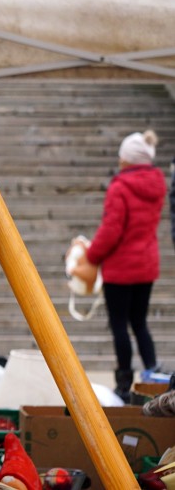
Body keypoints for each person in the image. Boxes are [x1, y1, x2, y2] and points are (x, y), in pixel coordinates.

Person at [80, 129, 165, 402]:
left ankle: (124, 380)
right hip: (146, 265)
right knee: (139, 322)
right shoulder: (156, 185)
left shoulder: (120, 187)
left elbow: (111, 230)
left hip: (120, 268)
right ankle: (152, 371)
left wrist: (91, 256)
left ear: (127, 159)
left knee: (119, 325)